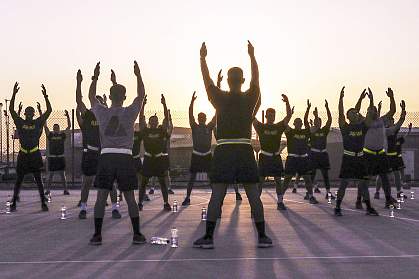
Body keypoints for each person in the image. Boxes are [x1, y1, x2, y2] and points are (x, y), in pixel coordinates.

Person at [193, 41, 272, 249]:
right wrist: (252, 56)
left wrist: (202, 58)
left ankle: (209, 238)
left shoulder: (219, 97)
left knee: (217, 195)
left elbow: (207, 79)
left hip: (224, 150)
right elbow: (257, 77)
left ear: (227, 81)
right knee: (254, 195)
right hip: (245, 150)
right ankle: (262, 237)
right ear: (242, 80)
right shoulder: (250, 97)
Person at [88, 61, 146, 245]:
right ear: (124, 96)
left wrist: (95, 78)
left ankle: (97, 235)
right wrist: (138, 75)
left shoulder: (102, 112)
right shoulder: (130, 112)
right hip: (125, 157)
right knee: (129, 197)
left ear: (110, 96)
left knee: (101, 197)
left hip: (106, 156)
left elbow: (91, 97)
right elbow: (141, 95)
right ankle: (137, 234)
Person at [76, 70, 120, 220]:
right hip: (90, 153)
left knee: (110, 183)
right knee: (87, 182)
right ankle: (83, 208)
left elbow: (118, 101)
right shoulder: (88, 114)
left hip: (104, 153)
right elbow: (79, 101)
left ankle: (115, 208)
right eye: (97, 101)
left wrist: (114, 82)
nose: (99, 102)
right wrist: (79, 82)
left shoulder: (107, 114)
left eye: (101, 101)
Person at [334, 87, 379, 216]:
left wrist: (371, 100)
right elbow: (340, 113)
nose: (355, 113)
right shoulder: (344, 126)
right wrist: (340, 99)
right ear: (348, 116)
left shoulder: (362, 126)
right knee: (343, 184)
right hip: (348, 158)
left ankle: (369, 207)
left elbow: (370, 114)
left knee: (364, 184)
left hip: (360, 158)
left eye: (355, 112)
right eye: (352, 112)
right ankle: (337, 207)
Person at [357, 88, 403, 208]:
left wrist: (391, 97)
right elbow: (356, 111)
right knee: (365, 178)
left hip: (381, 154)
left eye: (375, 110)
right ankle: (360, 198)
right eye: (370, 110)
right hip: (368, 154)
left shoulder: (382, 121)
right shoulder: (365, 122)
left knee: (385, 177)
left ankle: (388, 199)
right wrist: (365, 99)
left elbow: (392, 110)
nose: (373, 112)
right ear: (367, 113)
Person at [9, 82, 52, 212]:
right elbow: (11, 109)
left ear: (33, 114)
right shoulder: (20, 122)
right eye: (27, 112)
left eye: (30, 112)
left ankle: (43, 203)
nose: (28, 114)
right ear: (24, 114)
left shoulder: (37, 122)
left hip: (34, 154)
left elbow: (49, 111)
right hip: (23, 154)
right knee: (19, 180)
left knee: (38, 180)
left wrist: (46, 96)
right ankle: (14, 203)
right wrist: (13, 94)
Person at [276, 100, 319, 210]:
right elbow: (284, 123)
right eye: (297, 122)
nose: (299, 123)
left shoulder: (306, 132)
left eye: (300, 122)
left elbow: (316, 127)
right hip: (292, 158)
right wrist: (288, 107)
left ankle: (311, 196)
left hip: (303, 159)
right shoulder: (290, 132)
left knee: (308, 179)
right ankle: (280, 201)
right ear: (294, 124)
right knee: (286, 180)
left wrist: (315, 115)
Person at [253, 94, 292, 208]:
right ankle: (256, 204)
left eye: (273, 115)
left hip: (275, 157)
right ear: (266, 116)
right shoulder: (260, 127)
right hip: (264, 157)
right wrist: (256, 103)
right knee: (260, 182)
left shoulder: (279, 126)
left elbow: (289, 115)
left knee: (278, 181)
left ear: (274, 116)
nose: (271, 117)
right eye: (269, 115)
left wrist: (287, 102)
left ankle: (280, 202)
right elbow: (252, 116)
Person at [137, 95, 172, 211]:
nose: (153, 122)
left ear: (157, 122)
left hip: (159, 159)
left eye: (155, 121)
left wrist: (164, 104)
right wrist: (143, 105)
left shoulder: (161, 130)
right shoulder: (145, 131)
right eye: (151, 121)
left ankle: (166, 203)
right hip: (148, 160)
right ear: (149, 122)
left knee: (162, 183)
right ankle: (140, 203)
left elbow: (166, 120)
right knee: (143, 183)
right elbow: (141, 119)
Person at [182, 92, 216, 206]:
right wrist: (192, 102)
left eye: (203, 117)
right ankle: (187, 197)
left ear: (205, 118)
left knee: (211, 177)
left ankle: (215, 197)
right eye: (200, 117)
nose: (202, 118)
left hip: (207, 155)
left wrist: (216, 101)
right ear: (198, 118)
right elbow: (190, 114)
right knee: (192, 178)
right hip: (196, 155)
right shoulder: (194, 126)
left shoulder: (209, 127)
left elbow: (217, 114)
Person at [309, 101, 334, 200]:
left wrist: (327, 108)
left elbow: (330, 119)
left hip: (323, 154)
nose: (317, 123)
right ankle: (310, 194)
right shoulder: (312, 130)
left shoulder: (324, 130)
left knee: (325, 175)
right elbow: (307, 123)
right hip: (314, 154)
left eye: (319, 122)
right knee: (312, 174)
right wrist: (315, 115)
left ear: (321, 123)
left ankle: (328, 193)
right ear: (314, 123)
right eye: (316, 122)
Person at [44, 110, 71, 195]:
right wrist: (44, 116)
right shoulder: (50, 135)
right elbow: (45, 127)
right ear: (53, 129)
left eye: (57, 128)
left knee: (62, 175)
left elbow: (69, 126)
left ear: (59, 129)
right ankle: (48, 190)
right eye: (54, 128)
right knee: (50, 175)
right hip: (52, 158)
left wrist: (67, 116)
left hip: (60, 157)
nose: (56, 129)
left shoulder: (62, 135)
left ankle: (65, 190)